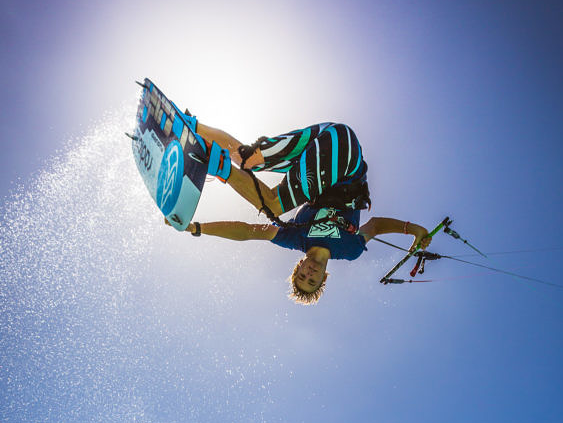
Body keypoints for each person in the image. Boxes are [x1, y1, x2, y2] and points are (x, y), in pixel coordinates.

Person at [176, 119, 431, 303]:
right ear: (324, 279)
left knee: (247, 158)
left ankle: (187, 125)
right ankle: (219, 166)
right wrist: (414, 230)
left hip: (323, 141)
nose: (309, 274)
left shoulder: (296, 239)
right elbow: (375, 225)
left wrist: (198, 228)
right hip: (346, 160)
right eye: (312, 280)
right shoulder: (349, 250)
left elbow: (247, 231)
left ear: (298, 267)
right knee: (273, 205)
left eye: (302, 276)